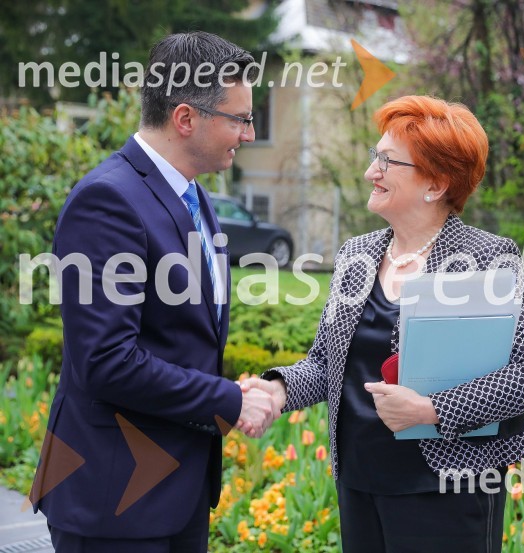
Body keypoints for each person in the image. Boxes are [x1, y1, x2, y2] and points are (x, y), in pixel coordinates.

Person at [242, 95, 524, 553]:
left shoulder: (485, 260)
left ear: (435, 184)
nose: (372, 171)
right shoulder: (357, 255)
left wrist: (432, 410)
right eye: (375, 157)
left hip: (446, 491)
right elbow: (326, 365)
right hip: (360, 482)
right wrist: (277, 389)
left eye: (388, 162)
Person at [30, 32, 281, 553]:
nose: (250, 134)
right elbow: (106, 360)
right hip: (113, 499)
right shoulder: (108, 200)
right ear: (186, 118)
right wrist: (227, 399)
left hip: (178, 493)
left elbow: (182, 337)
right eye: (239, 119)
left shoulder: (195, 197)